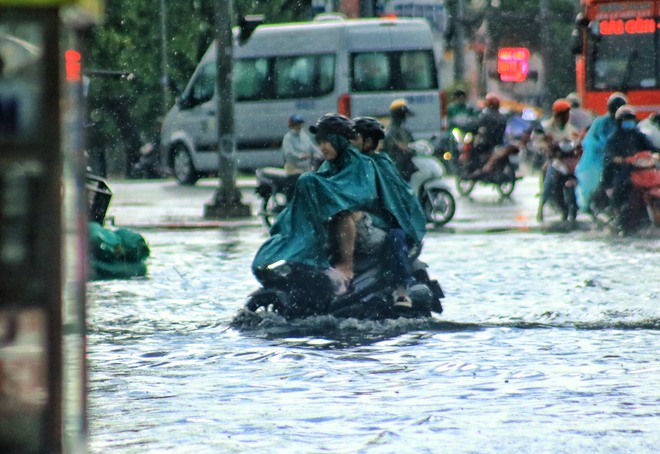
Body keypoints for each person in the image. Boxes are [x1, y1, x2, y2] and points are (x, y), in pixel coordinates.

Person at [252, 114, 424, 298]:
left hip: (374, 228)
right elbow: (321, 191)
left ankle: (350, 272)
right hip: (350, 228)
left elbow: (360, 194)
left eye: (327, 141)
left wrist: (325, 191)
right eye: (320, 142)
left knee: (345, 214)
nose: (322, 147)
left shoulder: (368, 164)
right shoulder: (330, 165)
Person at [352, 116, 427, 306]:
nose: (351, 143)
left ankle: (400, 289)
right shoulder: (352, 164)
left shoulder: (381, 164)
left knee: (395, 237)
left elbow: (398, 200)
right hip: (368, 222)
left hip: (394, 223)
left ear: (368, 142)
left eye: (355, 138)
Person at [601, 105, 656, 228]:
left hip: (640, 169)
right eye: (625, 119)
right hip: (621, 170)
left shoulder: (639, 135)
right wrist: (619, 159)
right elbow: (609, 155)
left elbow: (651, 148)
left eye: (630, 119)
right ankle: (619, 213)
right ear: (619, 121)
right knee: (622, 185)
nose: (628, 122)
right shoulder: (613, 138)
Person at [575, 92, 628, 213]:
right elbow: (595, 141)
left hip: (623, 158)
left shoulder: (625, 122)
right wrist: (608, 151)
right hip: (600, 159)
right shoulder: (601, 123)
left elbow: (634, 137)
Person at [536, 99, 581, 221]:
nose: (566, 116)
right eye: (563, 114)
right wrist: (547, 146)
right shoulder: (547, 127)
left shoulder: (571, 128)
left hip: (570, 160)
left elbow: (578, 141)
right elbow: (539, 142)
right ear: (556, 115)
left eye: (567, 113)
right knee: (548, 183)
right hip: (555, 160)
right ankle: (541, 207)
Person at [466, 93, 507, 177]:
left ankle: (476, 169)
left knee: (473, 149)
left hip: (487, 142)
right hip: (499, 142)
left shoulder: (485, 115)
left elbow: (475, 125)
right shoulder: (502, 116)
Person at [383, 98, 416, 180]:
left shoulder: (402, 128)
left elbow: (411, 143)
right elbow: (393, 145)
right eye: (404, 114)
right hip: (398, 164)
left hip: (403, 163)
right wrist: (404, 148)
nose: (406, 117)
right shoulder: (393, 129)